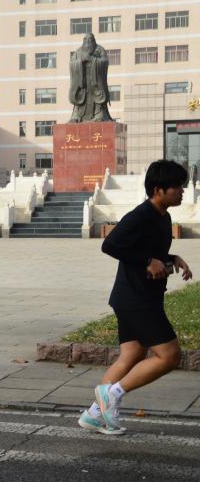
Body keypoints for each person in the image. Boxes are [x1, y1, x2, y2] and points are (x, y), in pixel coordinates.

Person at [78, 160, 192, 436]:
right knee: (170, 356)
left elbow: (147, 250)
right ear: (158, 189)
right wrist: (147, 261)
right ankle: (113, 394)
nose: (182, 191)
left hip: (136, 297)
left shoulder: (162, 217)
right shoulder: (140, 215)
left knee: (133, 355)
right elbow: (110, 245)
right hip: (136, 299)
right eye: (177, 186)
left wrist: (172, 258)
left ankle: (94, 415)